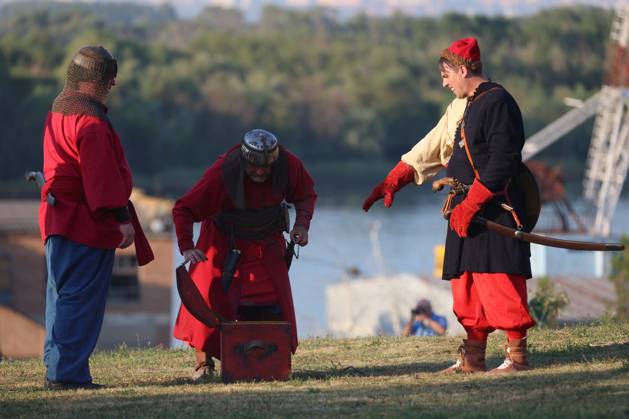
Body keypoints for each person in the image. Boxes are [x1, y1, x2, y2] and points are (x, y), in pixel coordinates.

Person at [364, 38, 535, 374]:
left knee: (499, 279)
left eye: (446, 75)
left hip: (493, 208)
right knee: (467, 284)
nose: (444, 83)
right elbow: (436, 143)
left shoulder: (497, 101)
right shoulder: (465, 104)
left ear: (461, 69)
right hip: (464, 211)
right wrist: (394, 179)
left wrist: (471, 204)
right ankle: (473, 359)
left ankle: (517, 358)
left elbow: (503, 160)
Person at [39, 46, 153, 389]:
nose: (112, 84)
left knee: (60, 295)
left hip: (58, 219)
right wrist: (122, 219)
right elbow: (100, 179)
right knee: (79, 298)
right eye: (107, 78)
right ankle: (67, 375)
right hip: (84, 223)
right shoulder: (90, 123)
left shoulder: (58, 111)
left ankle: (57, 369)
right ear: (91, 81)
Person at [172, 129, 317, 380]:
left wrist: (301, 225)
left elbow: (305, 195)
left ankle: (265, 362)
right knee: (208, 298)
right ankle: (203, 365)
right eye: (254, 166)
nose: (260, 171)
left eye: (266, 167)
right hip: (222, 238)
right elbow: (183, 209)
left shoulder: (288, 164)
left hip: (267, 238)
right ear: (243, 160)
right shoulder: (221, 173)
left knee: (272, 298)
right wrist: (187, 245)